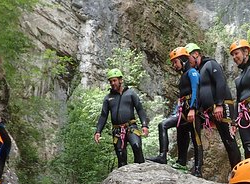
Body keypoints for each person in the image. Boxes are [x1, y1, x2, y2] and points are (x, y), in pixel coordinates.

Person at [185, 42, 241, 172]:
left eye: (189, 59)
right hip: (212, 110)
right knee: (225, 140)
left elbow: (221, 81)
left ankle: (239, 172)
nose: (188, 62)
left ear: (196, 54)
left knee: (229, 141)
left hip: (223, 106)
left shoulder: (211, 64)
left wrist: (220, 104)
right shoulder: (198, 71)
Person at [147, 46, 203, 175]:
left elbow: (196, 89)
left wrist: (193, 109)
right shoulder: (184, 75)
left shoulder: (192, 73)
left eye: (175, 62)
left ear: (183, 60)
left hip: (192, 110)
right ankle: (170, 158)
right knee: (174, 130)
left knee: (196, 139)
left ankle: (198, 169)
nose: (173, 65)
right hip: (183, 111)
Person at [94, 69, 150, 167]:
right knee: (121, 156)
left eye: (114, 80)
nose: (112, 83)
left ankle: (141, 172)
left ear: (120, 80)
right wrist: (98, 131)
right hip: (117, 131)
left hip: (131, 127)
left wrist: (144, 125)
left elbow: (140, 109)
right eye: (110, 81)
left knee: (136, 146)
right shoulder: (108, 98)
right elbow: (103, 115)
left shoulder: (131, 93)